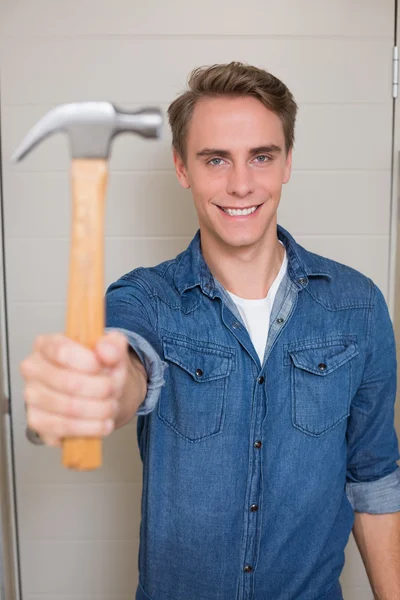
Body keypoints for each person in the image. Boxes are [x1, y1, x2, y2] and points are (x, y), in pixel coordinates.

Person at [20, 62, 400, 600]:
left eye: (261, 157)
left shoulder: (358, 306)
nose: (241, 184)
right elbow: (128, 363)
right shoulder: (145, 298)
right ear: (181, 167)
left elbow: (374, 477)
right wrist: (94, 390)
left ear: (288, 162)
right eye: (215, 159)